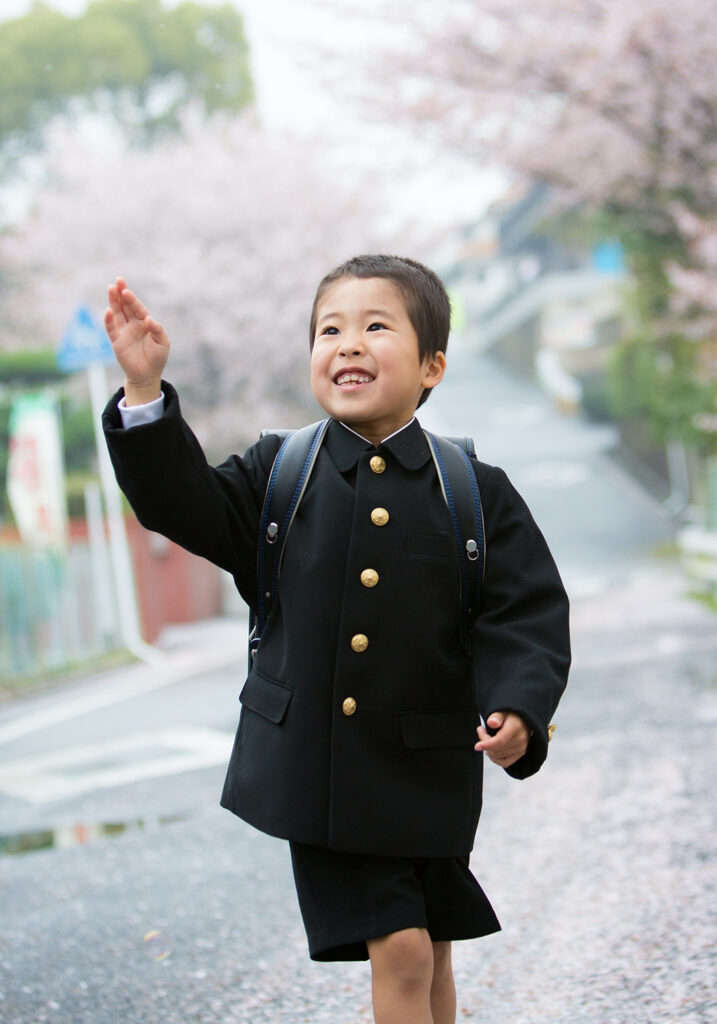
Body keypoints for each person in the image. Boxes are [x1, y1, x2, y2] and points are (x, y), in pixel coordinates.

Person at [102, 254, 570, 1024]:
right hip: (323, 772)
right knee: (404, 949)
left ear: (432, 366)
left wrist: (519, 707)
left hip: (430, 771)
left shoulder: (472, 491)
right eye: (330, 329)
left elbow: (525, 613)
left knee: (435, 946)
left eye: (375, 326)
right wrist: (146, 392)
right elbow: (178, 503)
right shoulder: (277, 474)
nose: (347, 343)